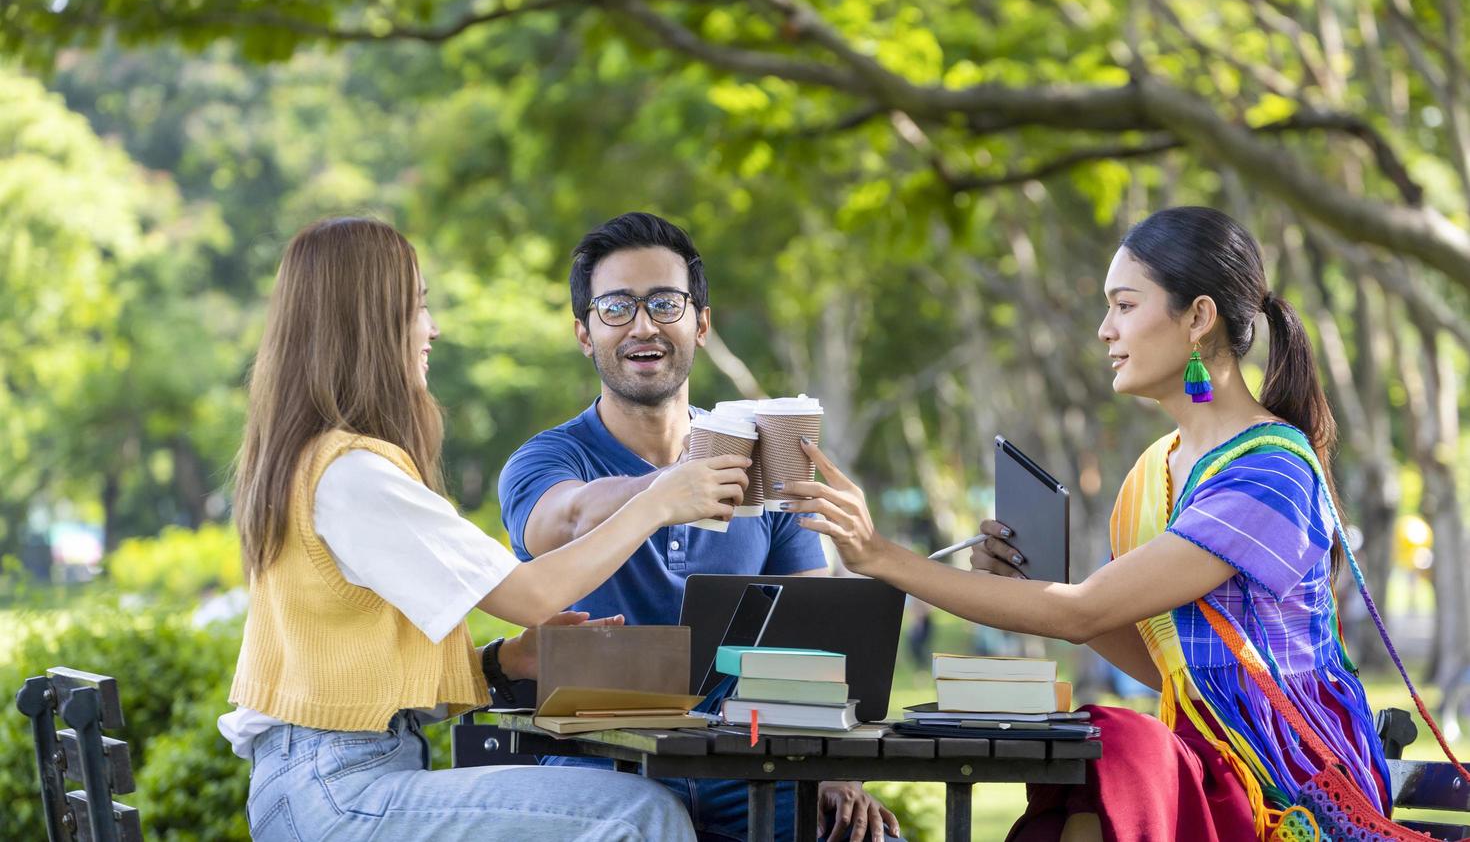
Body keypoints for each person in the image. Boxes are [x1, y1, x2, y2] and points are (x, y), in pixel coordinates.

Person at [788, 207, 1393, 841]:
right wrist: (1035, 585)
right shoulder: (1150, 474)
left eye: (1125, 306)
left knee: (1119, 744)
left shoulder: (1270, 471)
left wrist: (879, 555)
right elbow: (1166, 668)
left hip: (1287, 780)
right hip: (1203, 762)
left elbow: (1080, 612)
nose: (1104, 330)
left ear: (1199, 317)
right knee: (1111, 757)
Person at [218, 216, 752, 841]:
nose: (431, 327)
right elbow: (527, 594)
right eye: (416, 307)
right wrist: (659, 500)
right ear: (367, 323)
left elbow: (363, 683)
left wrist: (507, 661)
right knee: (640, 814)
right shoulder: (353, 474)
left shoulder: (318, 463)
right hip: (338, 795)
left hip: (325, 782)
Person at [499, 212, 901, 842]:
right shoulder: (547, 460)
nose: (643, 325)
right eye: (615, 307)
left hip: (748, 764)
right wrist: (664, 492)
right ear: (584, 333)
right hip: (600, 762)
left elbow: (814, 638)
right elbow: (562, 519)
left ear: (701, 323)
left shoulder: (768, 458)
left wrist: (831, 768)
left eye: (665, 303)